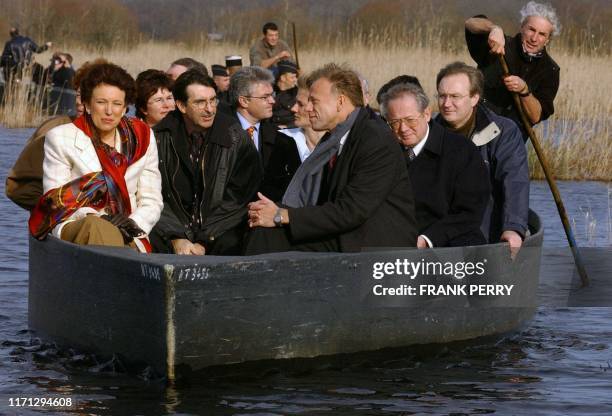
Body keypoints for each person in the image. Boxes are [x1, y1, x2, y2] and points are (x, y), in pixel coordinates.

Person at [245, 63, 417, 254]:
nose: (307, 108)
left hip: (373, 247)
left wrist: (281, 215)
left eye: (314, 101)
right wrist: (271, 211)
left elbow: (351, 210)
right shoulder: (335, 137)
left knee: (269, 238)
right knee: (261, 230)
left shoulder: (375, 140)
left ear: (340, 102)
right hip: (345, 233)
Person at [28, 62, 163, 253]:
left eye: (117, 104)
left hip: (129, 229)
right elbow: (55, 201)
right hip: (78, 222)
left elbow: (152, 200)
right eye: (101, 102)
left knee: (113, 239)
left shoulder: (143, 136)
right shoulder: (61, 137)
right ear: (88, 105)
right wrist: (99, 218)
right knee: (96, 228)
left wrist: (131, 223)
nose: (109, 111)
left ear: (125, 108)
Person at [150, 69, 262, 255]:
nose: (210, 109)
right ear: (181, 105)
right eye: (200, 102)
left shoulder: (234, 137)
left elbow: (239, 199)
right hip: (169, 233)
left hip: (221, 234)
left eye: (213, 100)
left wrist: (205, 240)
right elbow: (153, 194)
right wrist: (176, 236)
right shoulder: (159, 138)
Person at [434, 62, 529, 255]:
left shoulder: (503, 132)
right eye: (442, 96)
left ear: (474, 98)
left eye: (455, 96)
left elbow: (515, 181)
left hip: (486, 235)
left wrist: (513, 228)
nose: (446, 103)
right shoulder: (428, 133)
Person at [379, 82, 489, 248]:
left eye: (410, 120)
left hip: (450, 247)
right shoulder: (383, 153)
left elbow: (469, 212)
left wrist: (427, 239)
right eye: (394, 122)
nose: (403, 129)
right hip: (396, 246)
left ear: (427, 114)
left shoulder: (462, 151)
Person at [5, 59, 105, 210]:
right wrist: (58, 209)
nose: (80, 102)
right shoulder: (54, 130)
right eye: (78, 94)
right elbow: (18, 188)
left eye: (88, 95)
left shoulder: (124, 134)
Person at [465, 1, 560, 133]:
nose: (534, 38)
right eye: (531, 29)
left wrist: (524, 91)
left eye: (542, 34)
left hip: (511, 141)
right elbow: (471, 23)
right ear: (522, 28)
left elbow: (535, 116)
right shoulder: (499, 43)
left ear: (548, 39)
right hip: (475, 127)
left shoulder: (551, 70)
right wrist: (494, 29)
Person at [261, 76, 325, 202]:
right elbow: (270, 190)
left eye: (300, 104)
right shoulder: (283, 140)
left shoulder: (339, 143)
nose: (293, 108)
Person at [229, 66, 280, 170]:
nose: (272, 101)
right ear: (244, 101)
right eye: (265, 97)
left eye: (272, 95)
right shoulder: (223, 132)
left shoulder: (275, 135)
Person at [271, 59, 299, 127]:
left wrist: (288, 126)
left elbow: (301, 114)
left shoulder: (297, 93)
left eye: (296, 77)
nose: (296, 80)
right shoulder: (270, 91)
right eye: (292, 77)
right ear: (283, 78)